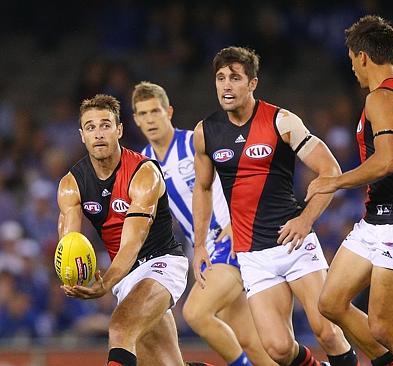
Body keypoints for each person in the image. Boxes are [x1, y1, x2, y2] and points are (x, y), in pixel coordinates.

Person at [193, 46, 358, 366]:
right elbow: (202, 188)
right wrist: (200, 244)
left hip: (293, 243)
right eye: (221, 78)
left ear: (252, 83)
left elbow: (331, 171)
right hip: (253, 253)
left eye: (235, 78)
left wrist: (306, 219)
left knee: (326, 330)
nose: (226, 85)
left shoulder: (282, 121)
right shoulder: (206, 133)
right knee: (278, 349)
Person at [307, 16, 393, 366]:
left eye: (352, 59)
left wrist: (334, 182)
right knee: (331, 302)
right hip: (377, 220)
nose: (352, 67)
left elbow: (385, 162)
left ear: (362, 57)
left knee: (385, 328)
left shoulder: (381, 98)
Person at [132, 81, 275, 366]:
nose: (150, 119)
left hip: (231, 238)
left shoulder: (193, 143)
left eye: (155, 111)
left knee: (196, 312)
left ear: (168, 111)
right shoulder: (144, 163)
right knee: (253, 341)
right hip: (205, 253)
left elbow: (243, 175)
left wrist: (238, 220)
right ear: (135, 119)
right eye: (142, 114)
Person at [58, 94, 188, 366]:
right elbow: (69, 243)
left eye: (105, 125)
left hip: (161, 264)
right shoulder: (71, 184)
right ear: (82, 136)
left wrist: (106, 283)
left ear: (119, 130)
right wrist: (73, 277)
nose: (98, 134)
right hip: (127, 277)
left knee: (120, 328)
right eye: (90, 127)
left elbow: (133, 241)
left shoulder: (144, 173)